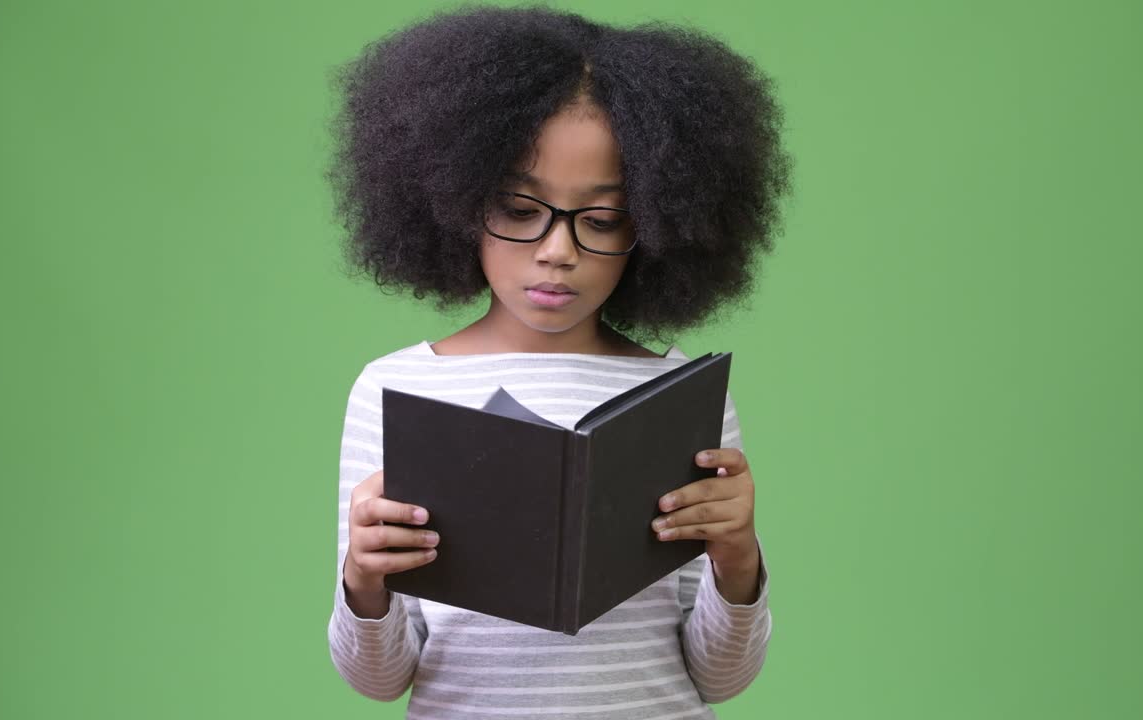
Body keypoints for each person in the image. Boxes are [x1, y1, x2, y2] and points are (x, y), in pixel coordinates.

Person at [324, 5, 792, 718]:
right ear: (453, 199)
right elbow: (379, 680)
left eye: (601, 220)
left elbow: (721, 678)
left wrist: (738, 561)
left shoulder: (679, 391)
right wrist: (363, 579)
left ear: (658, 225)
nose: (557, 250)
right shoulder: (398, 387)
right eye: (518, 209)